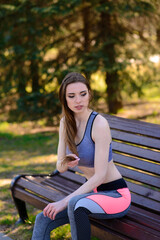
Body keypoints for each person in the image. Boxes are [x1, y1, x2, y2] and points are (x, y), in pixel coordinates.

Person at [32, 72, 131, 240]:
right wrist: (66, 161)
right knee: (43, 218)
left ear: (89, 95)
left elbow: (99, 176)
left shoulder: (99, 124)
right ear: (65, 99)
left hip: (115, 195)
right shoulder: (65, 123)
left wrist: (63, 201)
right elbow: (60, 167)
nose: (78, 100)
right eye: (71, 96)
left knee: (74, 204)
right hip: (90, 195)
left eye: (82, 94)